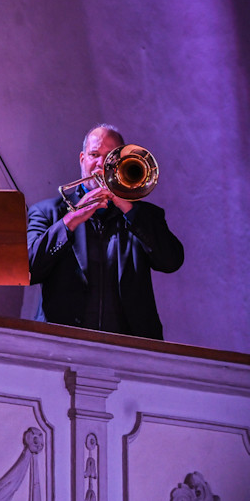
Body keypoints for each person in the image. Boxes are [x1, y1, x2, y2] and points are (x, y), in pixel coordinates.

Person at [26, 124, 184, 339]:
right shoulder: (47, 212)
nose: (101, 164)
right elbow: (29, 270)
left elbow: (171, 261)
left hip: (130, 344)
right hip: (63, 341)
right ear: (82, 159)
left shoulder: (144, 215)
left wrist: (128, 208)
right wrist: (71, 220)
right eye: (94, 155)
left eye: (110, 157)